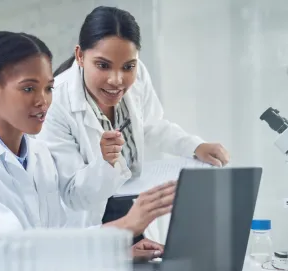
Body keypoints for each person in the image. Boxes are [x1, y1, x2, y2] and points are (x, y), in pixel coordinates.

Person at [0, 30, 176, 271]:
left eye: (49, 88)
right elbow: (13, 248)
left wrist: (118, 253)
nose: (43, 101)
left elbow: (59, 239)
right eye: (28, 89)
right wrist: (125, 225)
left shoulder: (40, 155)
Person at [37, 6, 230, 241]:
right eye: (103, 65)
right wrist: (105, 163)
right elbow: (73, 195)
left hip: (134, 209)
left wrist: (194, 146)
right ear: (80, 56)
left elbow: (151, 124)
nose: (117, 80)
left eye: (128, 66)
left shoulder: (138, 74)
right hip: (92, 224)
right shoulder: (55, 102)